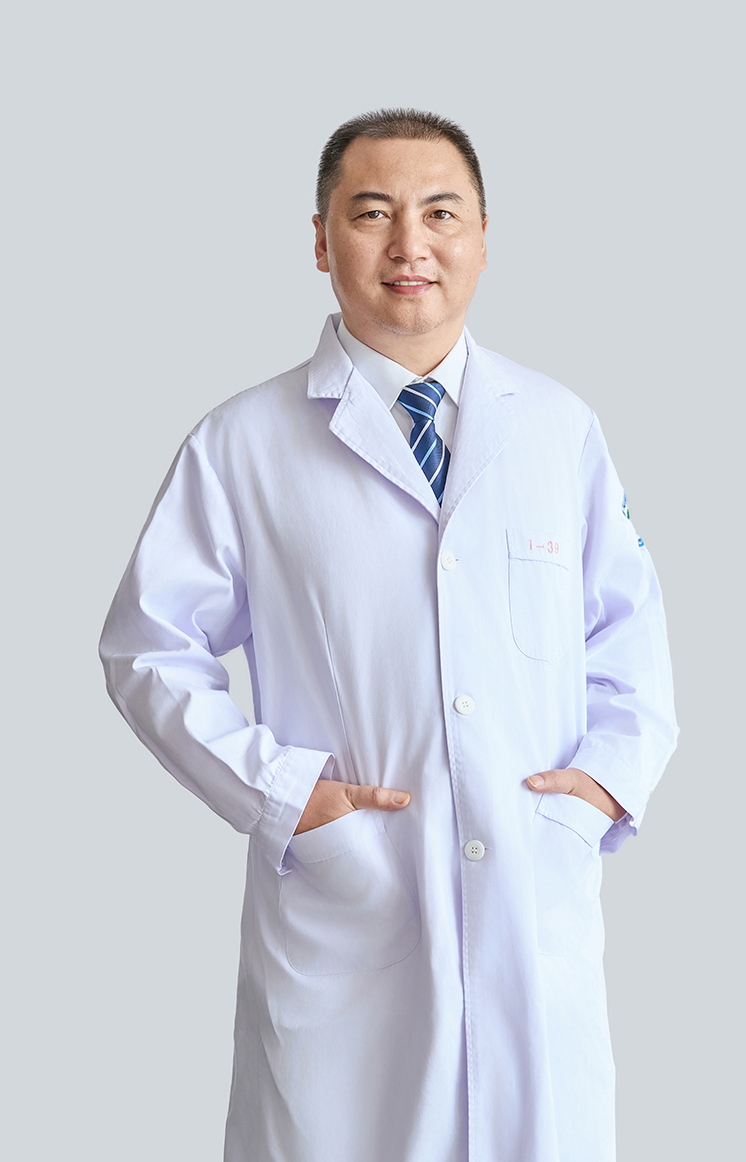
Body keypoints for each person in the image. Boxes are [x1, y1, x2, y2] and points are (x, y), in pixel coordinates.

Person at [99, 108, 678, 1162]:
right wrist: (286, 795)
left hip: (530, 901)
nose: (410, 244)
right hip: (350, 911)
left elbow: (630, 636)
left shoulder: (558, 428)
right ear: (322, 243)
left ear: (484, 240)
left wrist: (601, 784)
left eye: (440, 213)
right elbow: (148, 648)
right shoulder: (242, 443)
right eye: (372, 213)